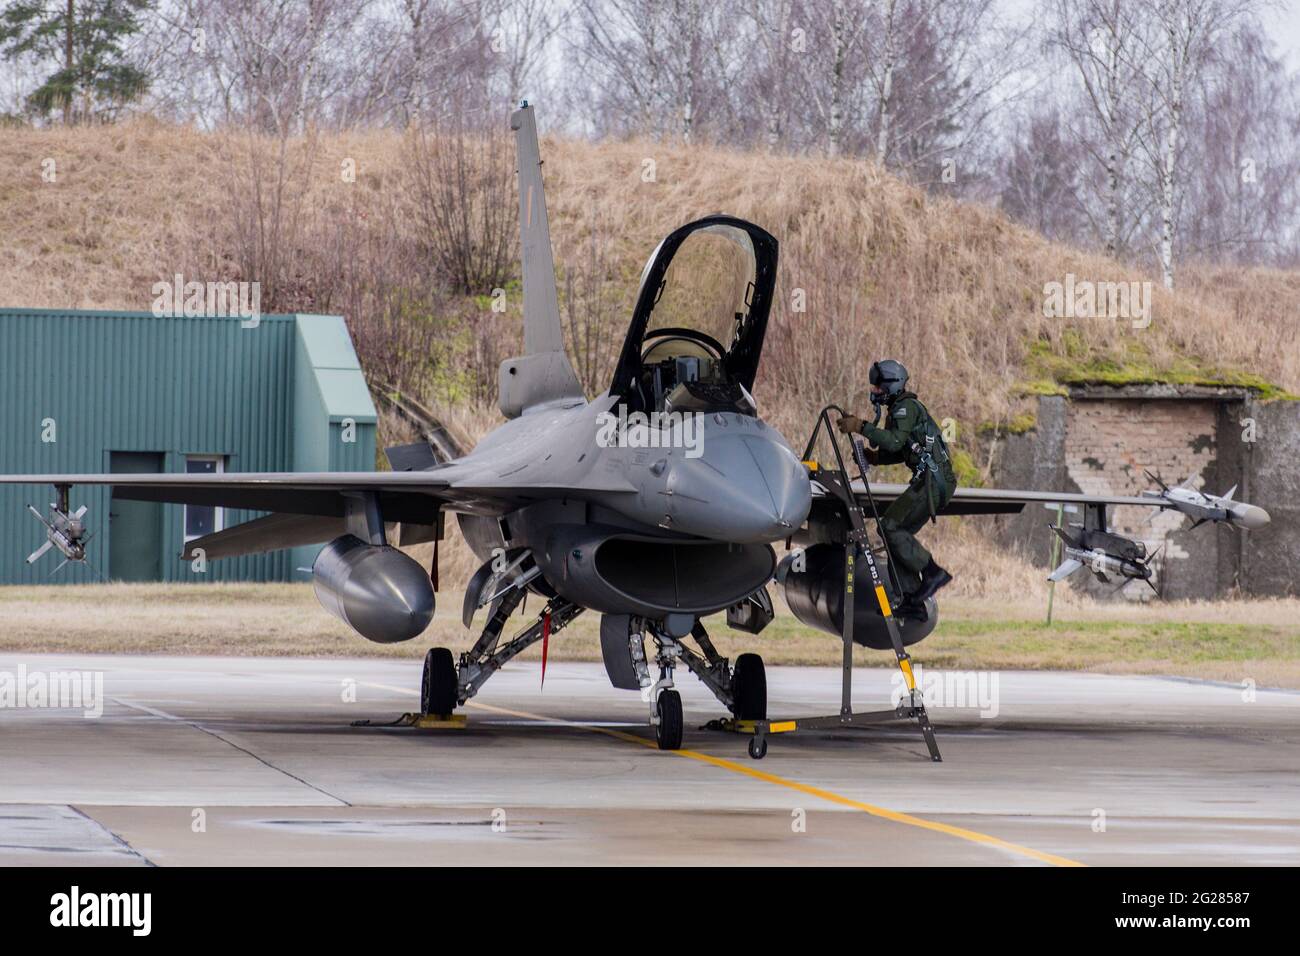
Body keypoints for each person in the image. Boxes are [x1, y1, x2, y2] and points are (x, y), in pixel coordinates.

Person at [836, 359, 955, 614]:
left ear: (891, 386)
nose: (874, 392)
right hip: (930, 481)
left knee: (888, 526)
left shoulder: (906, 408)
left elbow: (892, 442)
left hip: (933, 481)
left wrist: (861, 426)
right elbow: (901, 449)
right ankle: (913, 601)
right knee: (892, 534)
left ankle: (932, 572)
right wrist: (874, 458)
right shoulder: (899, 410)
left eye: (878, 388)